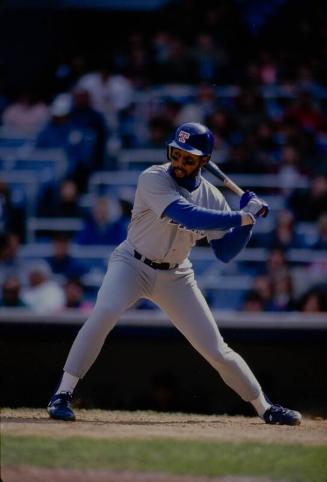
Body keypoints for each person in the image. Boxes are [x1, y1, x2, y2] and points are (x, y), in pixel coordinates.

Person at [47, 122, 302, 426]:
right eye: (176, 154)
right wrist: (241, 214)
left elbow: (225, 253)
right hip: (132, 263)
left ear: (204, 162)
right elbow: (183, 213)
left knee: (216, 349)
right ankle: (62, 394)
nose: (179, 163)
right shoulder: (153, 177)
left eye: (189, 158)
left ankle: (265, 407)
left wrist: (246, 225)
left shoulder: (212, 197)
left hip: (177, 275)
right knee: (103, 312)